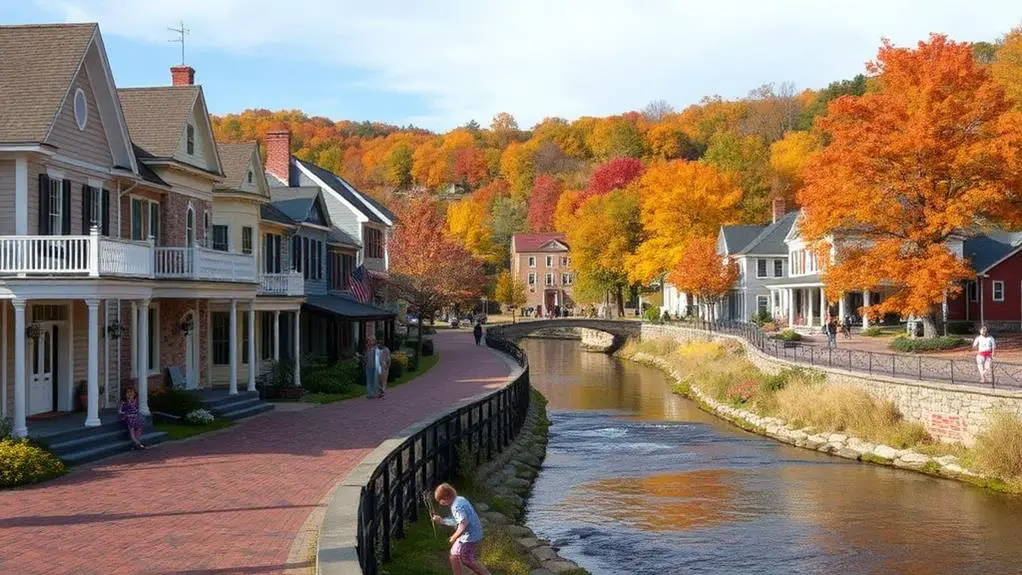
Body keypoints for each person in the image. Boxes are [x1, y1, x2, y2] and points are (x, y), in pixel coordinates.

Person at [432, 483, 490, 575]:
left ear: (446, 497)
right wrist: (442, 521)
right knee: (454, 555)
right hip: (474, 532)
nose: (440, 503)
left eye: (440, 500)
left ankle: (484, 573)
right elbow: (457, 521)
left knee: (467, 559)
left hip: (470, 537)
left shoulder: (456, 507)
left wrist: (454, 536)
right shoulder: (460, 499)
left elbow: (463, 523)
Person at [373, 333, 391, 398]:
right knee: (378, 379)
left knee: (383, 379)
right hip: (378, 366)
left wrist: (387, 365)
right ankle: (380, 391)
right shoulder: (376, 349)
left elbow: (388, 359)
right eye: (378, 342)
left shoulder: (386, 350)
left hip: (384, 366)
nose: (379, 344)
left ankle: (382, 391)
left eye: (381, 342)